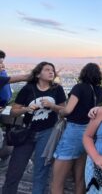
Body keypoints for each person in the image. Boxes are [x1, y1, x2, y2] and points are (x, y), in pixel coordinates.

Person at [2, 61, 66, 194]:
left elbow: (64, 110)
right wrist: (26, 109)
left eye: (52, 70)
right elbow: (14, 111)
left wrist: (51, 106)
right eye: (47, 70)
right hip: (27, 132)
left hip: (47, 133)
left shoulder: (57, 89)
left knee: (41, 171)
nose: (51, 72)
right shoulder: (28, 88)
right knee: (15, 169)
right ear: (38, 74)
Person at [52, 63, 102, 194]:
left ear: (83, 73)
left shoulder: (79, 88)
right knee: (80, 179)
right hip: (90, 134)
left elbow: (68, 110)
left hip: (74, 132)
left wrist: (58, 111)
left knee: (57, 181)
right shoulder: (101, 92)